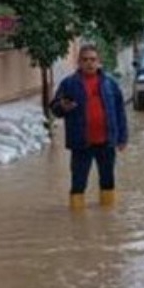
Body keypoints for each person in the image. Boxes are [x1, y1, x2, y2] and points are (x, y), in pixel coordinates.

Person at [50, 44, 128, 210]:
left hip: (106, 142)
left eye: (93, 60)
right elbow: (55, 109)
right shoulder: (69, 84)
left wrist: (122, 138)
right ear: (79, 62)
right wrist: (62, 107)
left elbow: (120, 111)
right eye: (85, 60)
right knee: (78, 183)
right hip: (81, 144)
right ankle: (77, 220)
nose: (89, 63)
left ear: (99, 62)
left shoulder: (110, 84)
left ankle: (108, 215)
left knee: (108, 181)